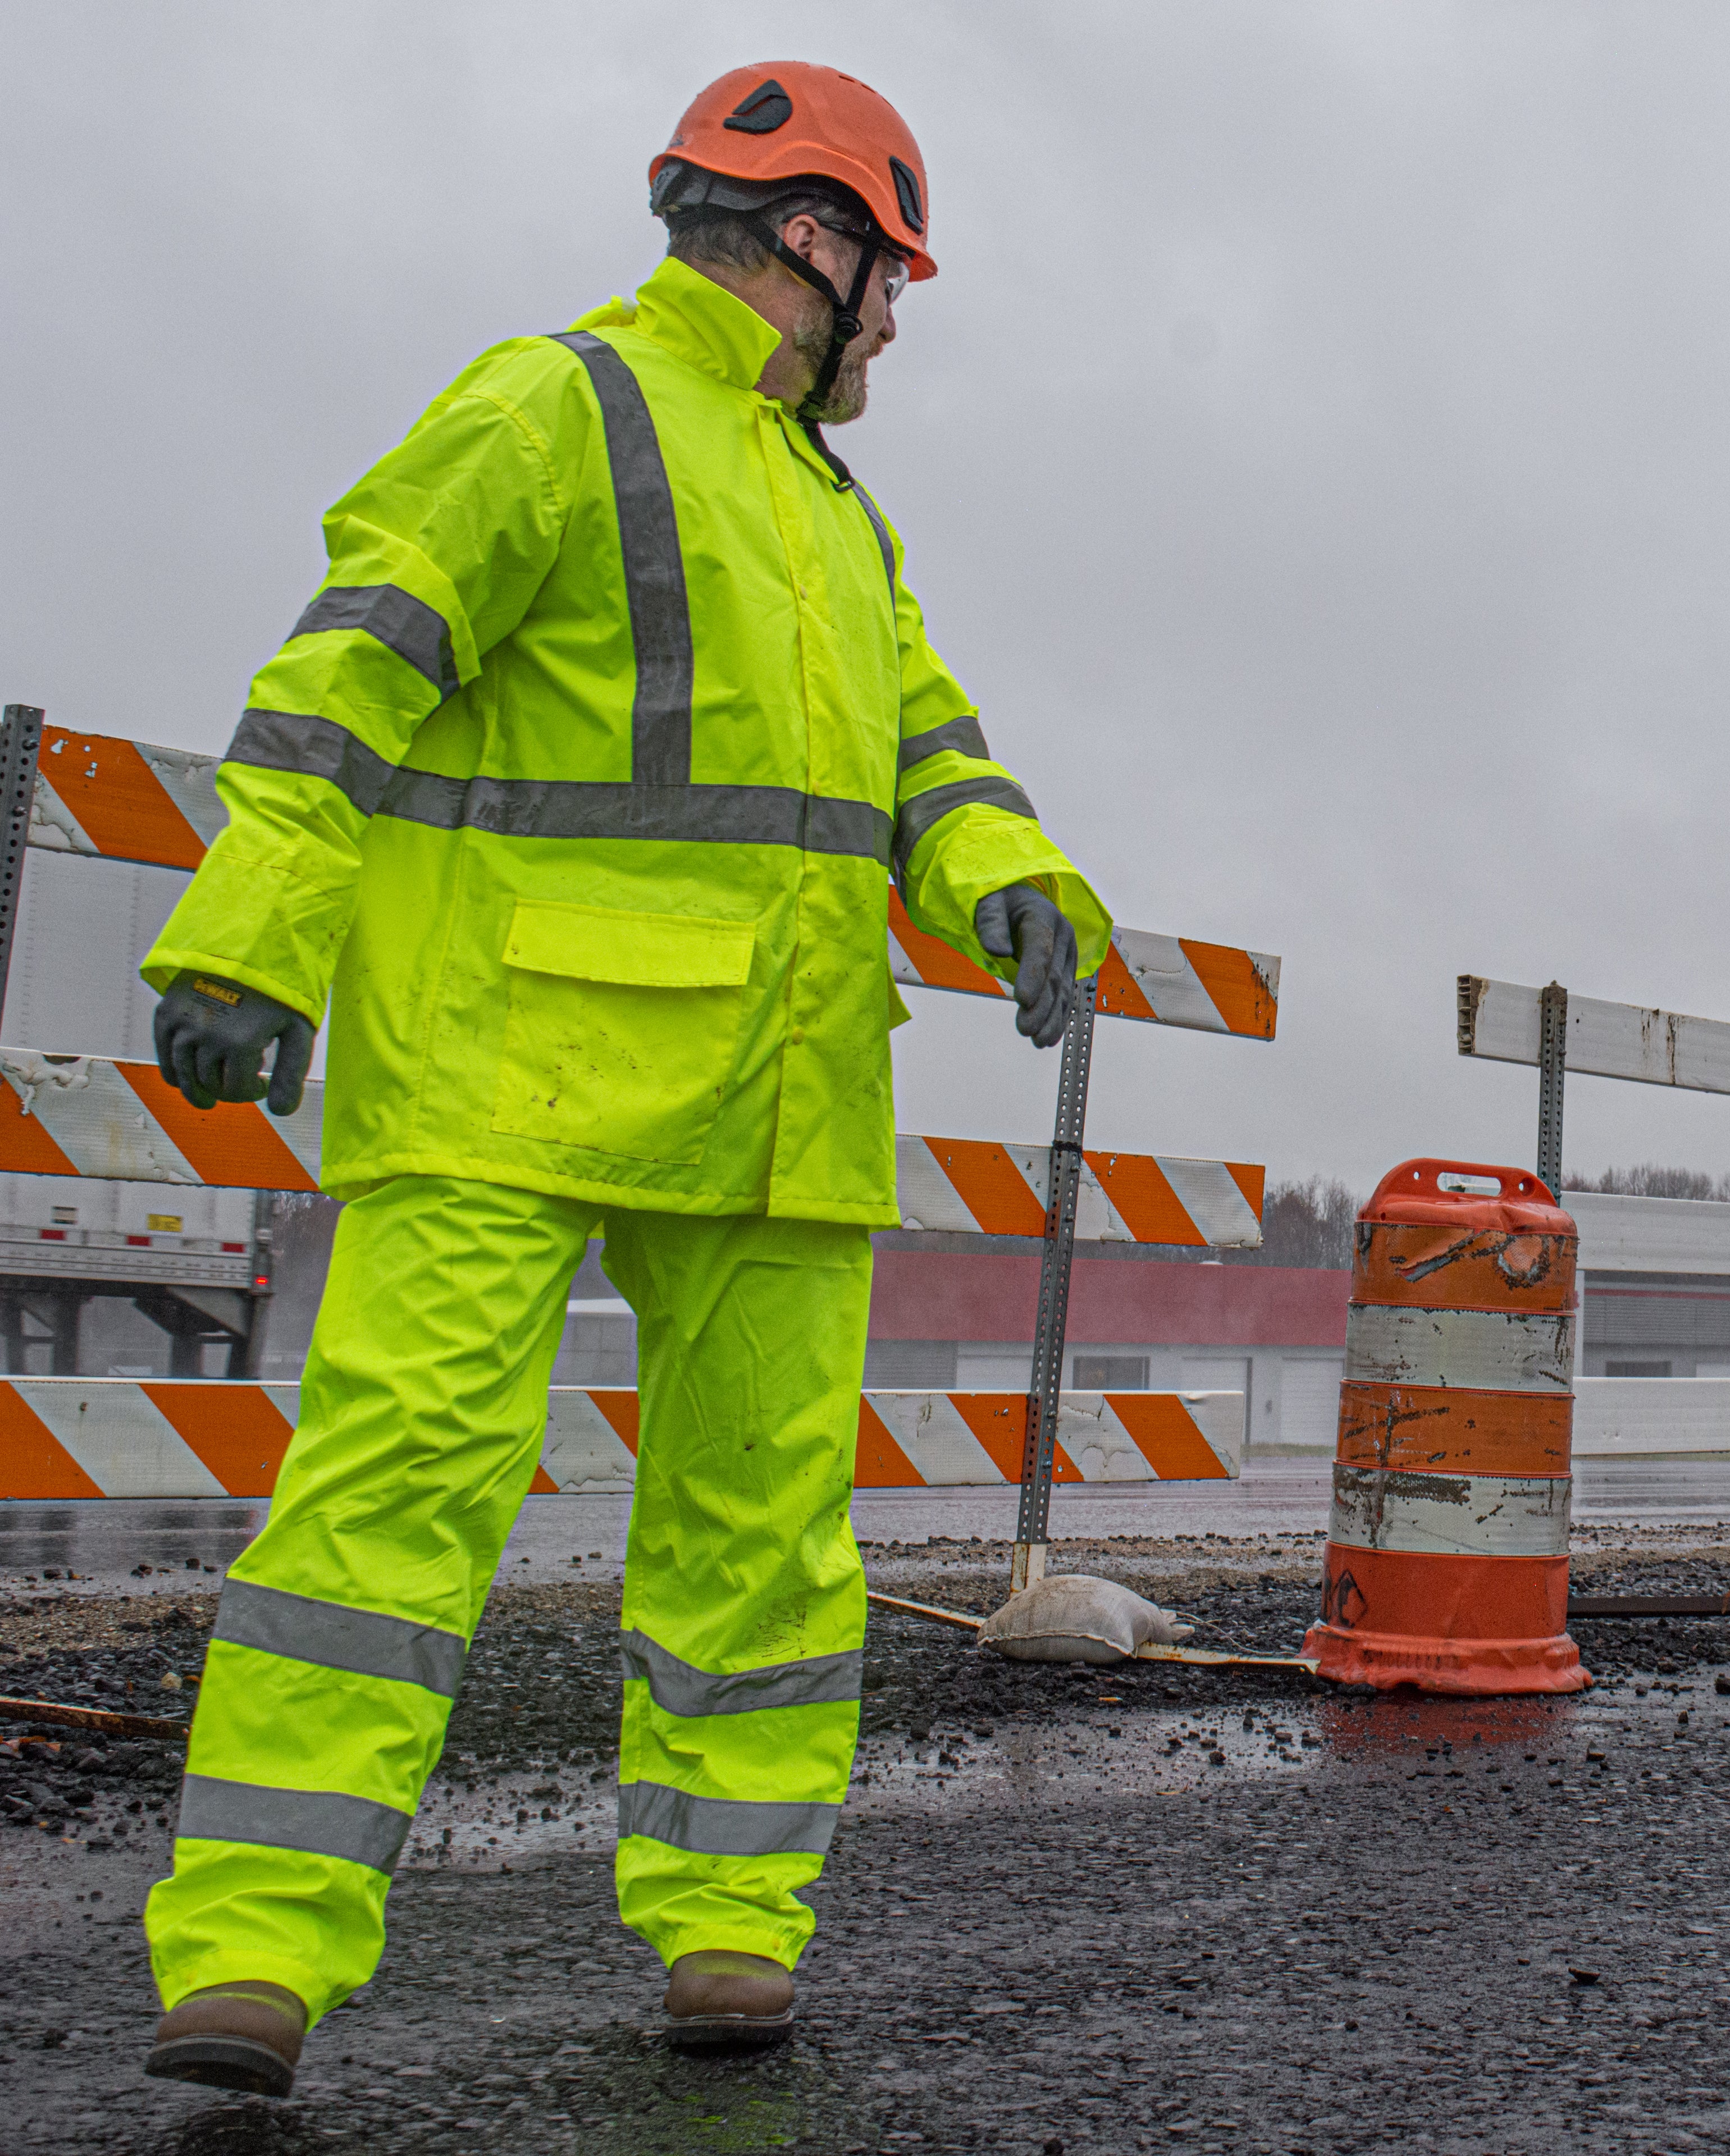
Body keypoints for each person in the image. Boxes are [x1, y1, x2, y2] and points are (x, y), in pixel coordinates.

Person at [135, 62, 1108, 2096]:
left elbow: (931, 748)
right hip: (511, 1065)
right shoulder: (552, 406)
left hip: (778, 1097)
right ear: (817, 248)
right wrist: (245, 931)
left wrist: (1012, 881)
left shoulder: (838, 521)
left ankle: (729, 1929)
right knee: (395, 1500)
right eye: (892, 278)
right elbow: (346, 679)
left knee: (761, 1535)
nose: (898, 326)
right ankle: (250, 1952)